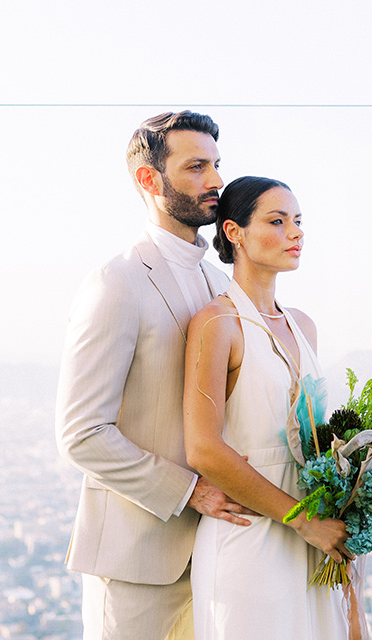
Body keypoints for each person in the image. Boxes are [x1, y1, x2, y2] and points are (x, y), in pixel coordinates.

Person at [56, 111, 255, 640]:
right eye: (195, 167)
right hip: (134, 565)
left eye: (216, 165)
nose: (215, 181)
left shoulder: (221, 285)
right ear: (150, 180)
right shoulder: (116, 282)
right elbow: (82, 434)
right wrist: (191, 492)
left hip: (221, 556)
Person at [184, 176, 362, 639]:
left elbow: (318, 442)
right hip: (249, 537)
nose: (296, 232)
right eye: (277, 221)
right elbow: (203, 449)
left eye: (298, 221)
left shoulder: (304, 325)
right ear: (234, 232)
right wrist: (304, 522)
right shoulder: (215, 323)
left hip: (314, 536)